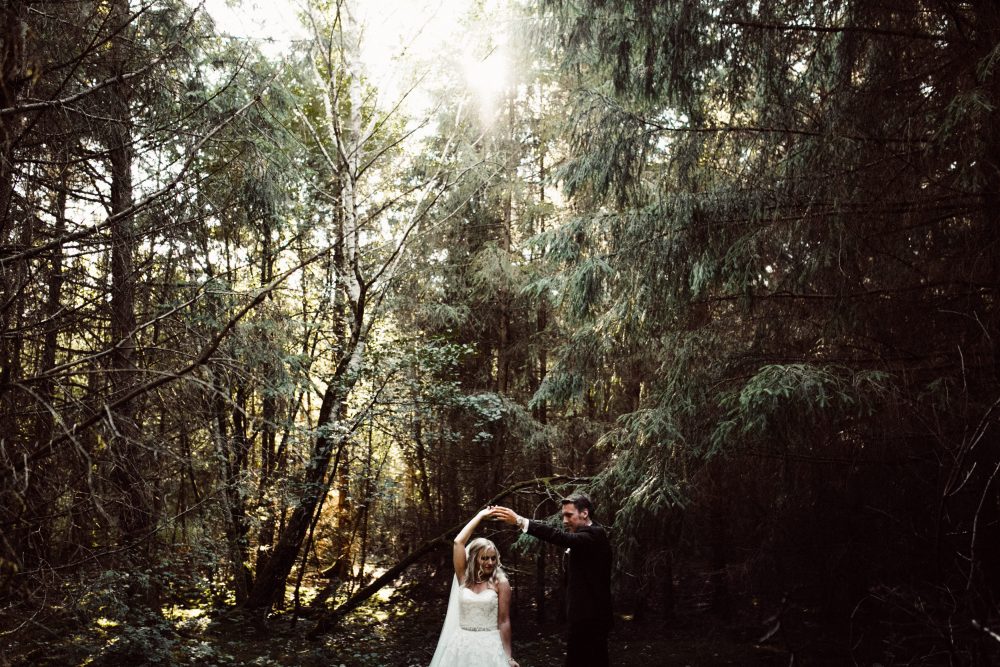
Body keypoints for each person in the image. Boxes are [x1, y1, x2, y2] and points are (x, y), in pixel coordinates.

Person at [492, 494, 612, 667]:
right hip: (581, 616)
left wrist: (520, 521)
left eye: (569, 515)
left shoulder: (595, 535)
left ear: (584, 513)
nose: (564, 520)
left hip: (592, 619)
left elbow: (560, 537)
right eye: (563, 515)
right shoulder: (583, 534)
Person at [429, 507, 519, 667]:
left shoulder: (501, 582)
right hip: (461, 646)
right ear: (474, 559)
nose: (490, 562)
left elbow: (504, 621)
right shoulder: (463, 577)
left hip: (489, 646)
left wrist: (508, 656)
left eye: (493, 558)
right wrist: (480, 515)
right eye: (484, 558)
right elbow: (458, 542)